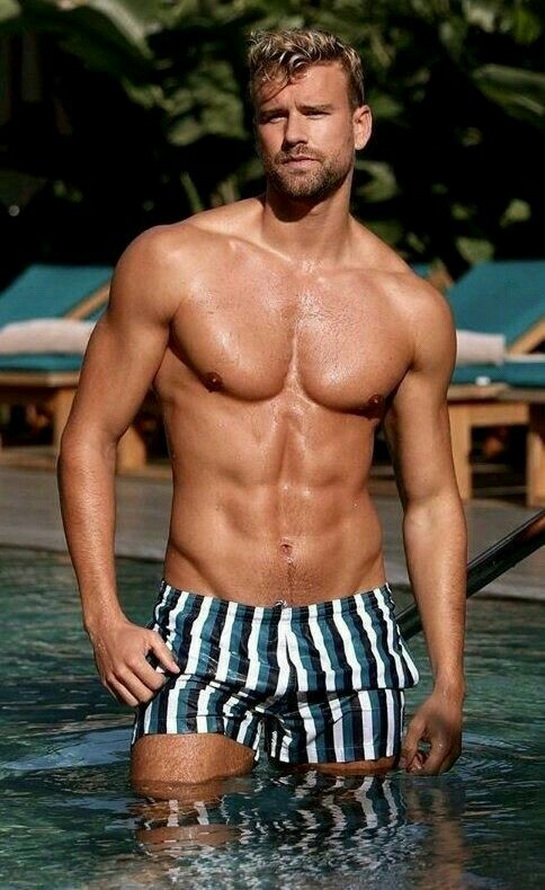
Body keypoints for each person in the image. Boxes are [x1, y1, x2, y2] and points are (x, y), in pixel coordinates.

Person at [58, 28, 467, 800]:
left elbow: (432, 500)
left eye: (315, 113)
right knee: (170, 830)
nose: (293, 134)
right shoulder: (172, 261)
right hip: (204, 625)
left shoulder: (410, 308)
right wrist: (103, 619)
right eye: (274, 116)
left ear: (359, 125)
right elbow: (89, 438)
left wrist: (448, 681)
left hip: (350, 634)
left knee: (351, 846)